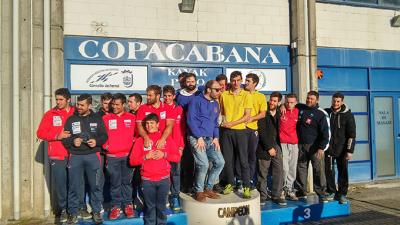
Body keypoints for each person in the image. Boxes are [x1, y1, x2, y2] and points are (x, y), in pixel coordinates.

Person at [62, 94, 108, 225]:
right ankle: (73, 213)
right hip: (75, 156)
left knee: (95, 186)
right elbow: (64, 138)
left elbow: (104, 136)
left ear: (89, 105)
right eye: (78, 104)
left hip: (92, 156)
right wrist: (72, 141)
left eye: (82, 105)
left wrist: (96, 141)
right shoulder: (71, 119)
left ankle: (96, 211)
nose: (79, 107)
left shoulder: (97, 118)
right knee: (73, 186)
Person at [129, 113, 181, 225]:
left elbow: (177, 157)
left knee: (161, 207)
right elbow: (132, 161)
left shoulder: (166, 139)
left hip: (163, 180)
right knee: (150, 207)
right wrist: (145, 157)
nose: (149, 126)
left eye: (152, 123)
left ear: (158, 124)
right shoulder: (140, 140)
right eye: (147, 124)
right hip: (147, 180)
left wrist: (164, 155)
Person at [36, 88, 75, 222]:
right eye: (56, 99)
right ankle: (63, 210)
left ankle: (73, 210)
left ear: (68, 99)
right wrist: (57, 136)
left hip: (75, 155)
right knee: (61, 184)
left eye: (61, 100)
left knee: (74, 184)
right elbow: (40, 133)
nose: (58, 102)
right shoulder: (50, 114)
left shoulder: (76, 112)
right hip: (58, 155)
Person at [187, 80, 225, 202]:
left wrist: (216, 138)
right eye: (217, 89)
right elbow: (191, 120)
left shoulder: (215, 104)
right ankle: (198, 191)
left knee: (220, 162)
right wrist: (198, 137)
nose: (220, 91)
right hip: (197, 138)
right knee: (203, 164)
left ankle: (208, 188)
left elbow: (215, 123)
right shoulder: (195, 100)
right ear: (209, 90)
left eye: (220, 89)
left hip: (211, 139)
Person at [219, 71, 253, 198]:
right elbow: (221, 113)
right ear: (230, 81)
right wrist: (222, 122)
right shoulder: (224, 95)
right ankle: (230, 183)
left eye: (238, 80)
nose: (236, 83)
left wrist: (232, 123)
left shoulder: (246, 95)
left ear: (241, 80)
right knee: (227, 160)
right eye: (233, 80)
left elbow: (247, 116)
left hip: (240, 131)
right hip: (226, 131)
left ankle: (246, 187)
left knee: (243, 160)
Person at [102, 93, 136, 220]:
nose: (114, 107)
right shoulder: (106, 118)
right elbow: (102, 135)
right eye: (113, 104)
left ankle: (128, 205)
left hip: (127, 156)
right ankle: (115, 207)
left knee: (126, 182)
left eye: (117, 104)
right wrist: (107, 145)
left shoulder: (132, 118)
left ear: (123, 105)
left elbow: (137, 134)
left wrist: (132, 143)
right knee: (115, 183)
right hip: (112, 157)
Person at [292, 91, 330, 202]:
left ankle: (321, 193)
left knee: (318, 170)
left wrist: (322, 147)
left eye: (312, 99)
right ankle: (301, 191)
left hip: (315, 147)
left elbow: (326, 133)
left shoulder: (321, 113)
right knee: (301, 169)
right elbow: (289, 103)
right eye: (308, 98)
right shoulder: (300, 108)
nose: (309, 100)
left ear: (317, 100)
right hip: (300, 145)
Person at [324, 92, 356, 204]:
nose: (335, 103)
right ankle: (331, 192)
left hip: (342, 150)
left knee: (343, 172)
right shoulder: (326, 113)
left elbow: (352, 135)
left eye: (338, 101)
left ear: (342, 101)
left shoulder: (348, 115)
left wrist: (349, 151)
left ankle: (342, 194)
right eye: (334, 100)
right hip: (329, 149)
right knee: (329, 172)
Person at [256, 92, 286, 206]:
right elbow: (261, 131)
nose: (271, 102)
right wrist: (269, 147)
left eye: (274, 101)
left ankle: (276, 196)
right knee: (262, 173)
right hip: (264, 147)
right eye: (271, 100)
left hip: (277, 146)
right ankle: (262, 196)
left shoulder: (280, 112)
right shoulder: (263, 112)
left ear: (279, 102)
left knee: (279, 171)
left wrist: (282, 107)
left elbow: (294, 106)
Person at [243, 73, 267, 188]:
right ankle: (239, 180)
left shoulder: (261, 96)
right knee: (240, 156)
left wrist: (251, 118)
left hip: (252, 129)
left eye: (248, 81)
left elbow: (262, 114)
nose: (245, 83)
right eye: (245, 80)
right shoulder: (241, 93)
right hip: (239, 129)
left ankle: (250, 180)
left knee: (251, 156)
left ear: (255, 83)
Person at [163, 85, 185, 211]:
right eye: (165, 96)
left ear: (174, 96)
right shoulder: (160, 109)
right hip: (163, 147)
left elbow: (182, 130)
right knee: (165, 173)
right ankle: (165, 197)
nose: (167, 98)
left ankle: (175, 196)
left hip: (176, 147)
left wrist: (181, 147)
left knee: (176, 173)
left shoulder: (179, 109)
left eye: (169, 96)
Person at [136, 85, 175, 150]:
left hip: (162, 141)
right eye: (147, 95)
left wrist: (162, 139)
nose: (147, 97)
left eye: (150, 95)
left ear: (158, 96)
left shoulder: (168, 108)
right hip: (148, 142)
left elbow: (169, 125)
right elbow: (139, 126)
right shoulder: (142, 108)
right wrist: (146, 137)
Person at [279, 93, 300, 201]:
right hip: (283, 143)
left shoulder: (298, 111)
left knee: (292, 168)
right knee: (284, 168)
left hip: (294, 144)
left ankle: (289, 189)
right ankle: (282, 189)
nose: (289, 104)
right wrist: (281, 105)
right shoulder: (281, 110)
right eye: (287, 102)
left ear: (296, 103)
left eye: (292, 102)